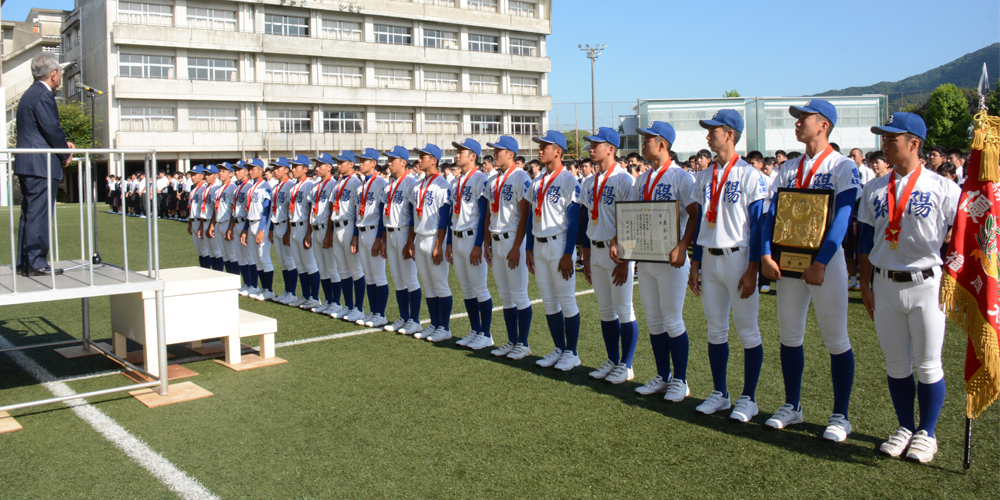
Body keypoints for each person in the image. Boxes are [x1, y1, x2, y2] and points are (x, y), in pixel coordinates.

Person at [859, 112, 960, 463]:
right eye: (883, 138)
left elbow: (957, 239)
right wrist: (865, 282)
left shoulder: (944, 187)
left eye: (892, 138)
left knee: (929, 364)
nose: (885, 144)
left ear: (914, 143)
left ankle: (927, 433)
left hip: (927, 283)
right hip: (885, 282)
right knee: (897, 364)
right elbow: (865, 240)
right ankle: (905, 426)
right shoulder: (874, 187)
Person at [759, 99, 860, 442]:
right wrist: (764, 253)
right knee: (789, 335)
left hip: (824, 265)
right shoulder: (788, 167)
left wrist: (822, 261)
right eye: (798, 118)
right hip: (788, 262)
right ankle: (792, 405)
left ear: (824, 125)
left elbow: (843, 216)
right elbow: (771, 214)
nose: (798, 122)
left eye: (805, 117)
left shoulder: (842, 165)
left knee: (836, 338)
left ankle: (841, 415)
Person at [688, 109, 768, 423]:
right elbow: (699, 225)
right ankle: (720, 393)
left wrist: (753, 267)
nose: (709, 134)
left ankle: (749, 398)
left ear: (730, 134)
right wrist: (695, 262)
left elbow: (759, 225)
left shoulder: (750, 174)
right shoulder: (705, 176)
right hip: (710, 257)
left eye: (714, 130)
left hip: (738, 257)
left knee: (748, 330)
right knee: (716, 329)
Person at [630, 121, 698, 401]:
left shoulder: (681, 177)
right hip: (646, 259)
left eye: (647, 139)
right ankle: (662, 376)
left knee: (672, 320)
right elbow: (632, 216)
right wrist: (627, 249)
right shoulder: (643, 178)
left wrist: (683, 245)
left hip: (671, 260)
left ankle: (680, 380)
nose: (642, 144)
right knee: (655, 322)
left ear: (662, 144)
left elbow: (695, 214)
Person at [579, 127, 638, 384]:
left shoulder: (624, 179)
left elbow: (633, 220)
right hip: (597, 249)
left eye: (596, 144)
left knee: (624, 309)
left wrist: (627, 258)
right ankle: (612, 360)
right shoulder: (589, 181)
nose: (591, 149)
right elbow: (586, 219)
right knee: (605, 310)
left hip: (618, 255)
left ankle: (627, 365)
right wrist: (586, 254)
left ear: (611, 149)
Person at [526, 131, 583, 371]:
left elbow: (574, 220)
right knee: (549, 301)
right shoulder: (538, 180)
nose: (540, 150)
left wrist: (569, 253)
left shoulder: (569, 180)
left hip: (559, 244)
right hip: (539, 244)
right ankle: (559, 347)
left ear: (558, 151)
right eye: (540, 146)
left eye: (545, 146)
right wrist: (528, 247)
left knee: (567, 300)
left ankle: (572, 352)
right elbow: (531, 216)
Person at [15, 58, 75, 274]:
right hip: (40, 164)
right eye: (60, 73)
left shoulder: (29, 94)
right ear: (53, 74)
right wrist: (64, 152)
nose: (60, 78)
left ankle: (26, 261)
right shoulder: (43, 94)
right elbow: (52, 128)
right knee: (39, 213)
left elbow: (37, 130)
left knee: (30, 213)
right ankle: (36, 262)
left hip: (29, 162)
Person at [483, 135, 533, 359]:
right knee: (505, 295)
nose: (495, 154)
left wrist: (517, 246)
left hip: (513, 239)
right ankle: (512, 340)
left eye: (499, 150)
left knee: (520, 295)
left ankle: (523, 343)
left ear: (510, 154)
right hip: (496, 239)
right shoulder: (493, 179)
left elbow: (524, 216)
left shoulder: (521, 177)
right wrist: (486, 242)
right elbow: (488, 214)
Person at [445, 139, 494, 349]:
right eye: (457, 152)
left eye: (461, 152)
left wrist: (479, 244)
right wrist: (448, 242)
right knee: (466, 288)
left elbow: (485, 214)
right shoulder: (456, 181)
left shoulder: (481, 179)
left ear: (473, 156)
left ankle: (486, 333)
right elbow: (450, 214)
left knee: (479, 287)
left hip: (473, 237)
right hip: (457, 237)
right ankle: (474, 330)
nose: (457, 155)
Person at [404, 144, 454, 342]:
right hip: (420, 237)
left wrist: (438, 244)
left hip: (434, 238)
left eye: (423, 156)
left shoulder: (442, 184)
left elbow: (444, 218)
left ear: (434, 160)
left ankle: (445, 327)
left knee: (441, 284)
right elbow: (411, 216)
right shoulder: (417, 185)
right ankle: (434, 324)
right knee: (428, 285)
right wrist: (411, 241)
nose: (419, 160)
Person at [378, 146, 422, 335]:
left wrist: (411, 241)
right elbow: (385, 213)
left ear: (403, 162)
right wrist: (383, 240)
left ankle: (415, 320)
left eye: (393, 159)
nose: (389, 162)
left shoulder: (411, 182)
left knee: (410, 278)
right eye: (388, 159)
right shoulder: (389, 184)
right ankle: (403, 317)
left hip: (404, 232)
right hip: (390, 232)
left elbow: (413, 215)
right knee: (397, 279)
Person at [352, 148, 390, 328]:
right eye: (360, 160)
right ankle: (373, 312)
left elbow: (383, 212)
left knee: (378, 275)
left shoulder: (381, 183)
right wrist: (354, 235)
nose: (361, 163)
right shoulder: (361, 185)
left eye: (364, 160)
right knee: (369, 276)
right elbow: (356, 213)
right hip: (361, 230)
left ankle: (380, 314)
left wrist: (379, 238)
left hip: (374, 231)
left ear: (374, 163)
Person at [328, 151, 365, 321]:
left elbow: (359, 211)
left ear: (351, 164)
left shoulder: (356, 183)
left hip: (349, 225)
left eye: (342, 162)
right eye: (338, 161)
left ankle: (358, 308)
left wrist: (355, 235)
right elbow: (331, 207)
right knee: (342, 269)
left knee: (355, 269)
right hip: (337, 226)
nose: (338, 164)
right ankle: (348, 306)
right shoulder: (337, 183)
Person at [309, 153, 346, 315]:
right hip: (315, 227)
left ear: (329, 167)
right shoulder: (316, 185)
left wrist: (329, 233)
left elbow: (332, 210)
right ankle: (328, 300)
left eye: (320, 165)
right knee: (322, 268)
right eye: (316, 165)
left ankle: (336, 302)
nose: (316, 168)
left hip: (326, 228)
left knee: (331, 268)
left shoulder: (333, 184)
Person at [284, 156, 320, 308]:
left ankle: (315, 297)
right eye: (292, 166)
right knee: (300, 264)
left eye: (296, 166)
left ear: (305, 169)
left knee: (310, 264)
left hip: (304, 226)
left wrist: (308, 233)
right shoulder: (293, 187)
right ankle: (305, 295)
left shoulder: (309, 186)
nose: (293, 169)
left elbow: (312, 211)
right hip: (293, 226)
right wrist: (288, 231)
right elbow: (289, 211)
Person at [240, 159, 275, 301]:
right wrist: (245, 229)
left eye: (253, 169)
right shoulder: (252, 187)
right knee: (257, 259)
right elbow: (250, 210)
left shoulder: (265, 186)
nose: (250, 171)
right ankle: (263, 288)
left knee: (264, 257)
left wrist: (261, 230)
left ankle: (269, 290)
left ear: (261, 170)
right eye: (249, 169)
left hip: (262, 224)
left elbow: (266, 210)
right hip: (252, 222)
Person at [266, 158, 299, 304]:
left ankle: (292, 292)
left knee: (289, 260)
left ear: (286, 170)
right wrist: (272, 228)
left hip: (286, 225)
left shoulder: (290, 186)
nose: (275, 170)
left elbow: (289, 210)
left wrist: (288, 231)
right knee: (282, 261)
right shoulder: (275, 187)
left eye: (278, 167)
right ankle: (287, 291)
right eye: (274, 167)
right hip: (276, 224)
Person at [208, 162, 239, 276]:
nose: (220, 173)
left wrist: (230, 227)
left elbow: (233, 210)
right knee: (224, 255)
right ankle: (229, 278)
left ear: (231, 174)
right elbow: (215, 209)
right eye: (220, 171)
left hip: (227, 223)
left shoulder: (233, 188)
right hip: (219, 223)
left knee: (232, 255)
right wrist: (212, 224)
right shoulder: (218, 189)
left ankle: (235, 279)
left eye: (224, 171)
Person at [200, 164, 223, 271]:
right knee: (210, 252)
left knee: (217, 251)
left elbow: (215, 209)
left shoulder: (216, 188)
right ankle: (213, 273)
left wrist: (211, 224)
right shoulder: (207, 188)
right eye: (206, 174)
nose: (206, 176)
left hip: (213, 221)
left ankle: (219, 274)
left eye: (209, 174)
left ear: (215, 175)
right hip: (205, 220)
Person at [187, 166, 211, 268]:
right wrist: (190, 224)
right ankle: (203, 271)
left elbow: (203, 209)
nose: (193, 177)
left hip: (200, 221)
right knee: (199, 251)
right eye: (192, 175)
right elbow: (191, 208)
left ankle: (207, 272)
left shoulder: (203, 189)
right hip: (194, 221)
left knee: (204, 251)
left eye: (195, 175)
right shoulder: (194, 190)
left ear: (202, 176)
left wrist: (201, 225)